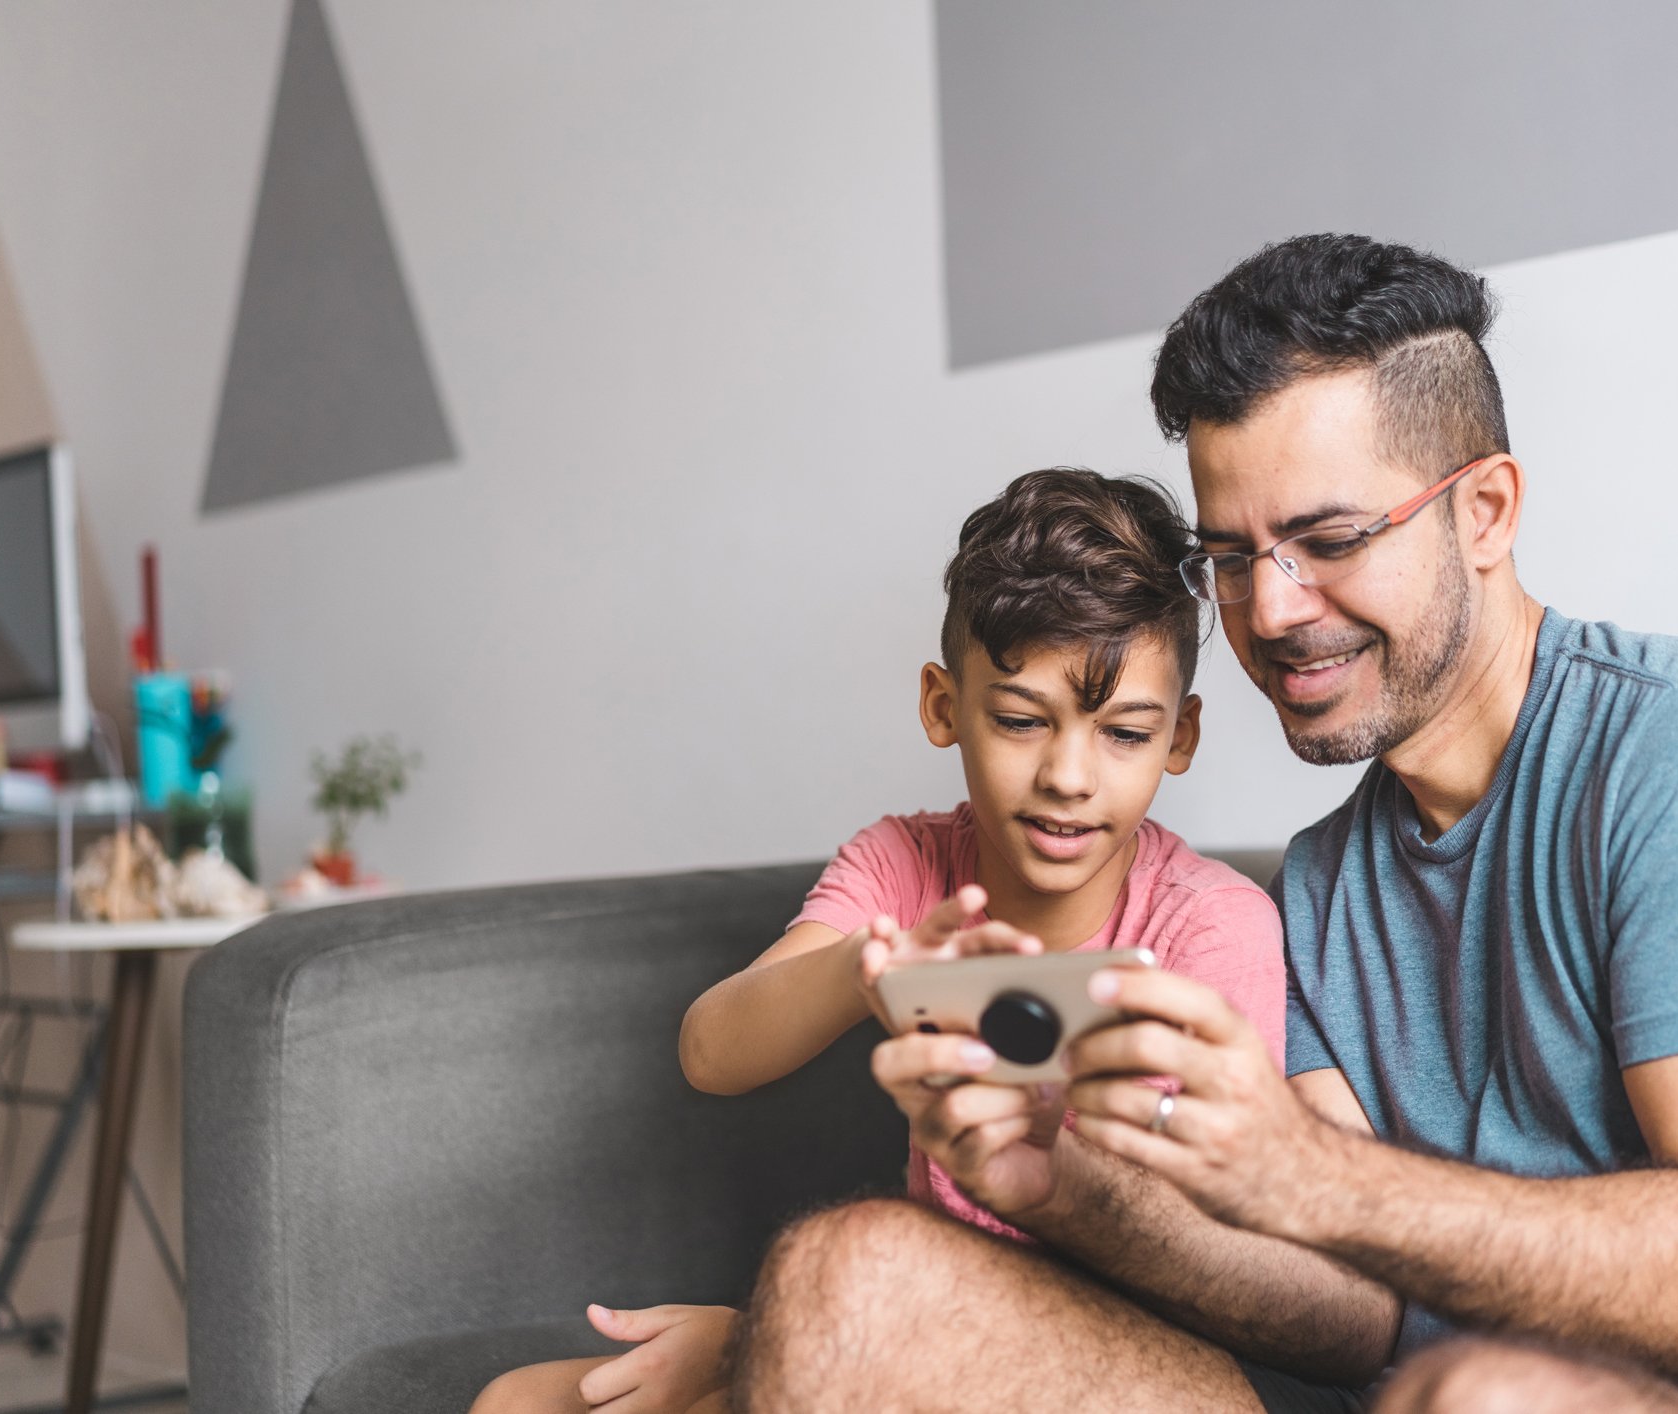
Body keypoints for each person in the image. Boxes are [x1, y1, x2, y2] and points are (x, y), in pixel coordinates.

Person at [728, 236, 1678, 1413]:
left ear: (1482, 511)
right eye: (1231, 553)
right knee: (846, 1278)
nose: (1267, 609)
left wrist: (1308, 1173)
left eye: (1326, 539)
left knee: (1482, 1397)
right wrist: (1058, 1183)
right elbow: (1354, 1321)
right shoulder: (1318, 889)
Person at [468, 467, 1287, 1414]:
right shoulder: (907, 862)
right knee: (519, 1403)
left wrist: (785, 1334)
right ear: (944, 707)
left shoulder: (1211, 926)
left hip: (1113, 1356)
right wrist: (872, 970)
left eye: (1125, 735)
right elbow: (711, 1051)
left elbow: (1205, 1241)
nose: (1070, 775)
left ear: (1180, 735)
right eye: (1022, 722)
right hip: (916, 1315)